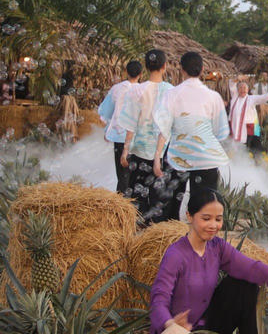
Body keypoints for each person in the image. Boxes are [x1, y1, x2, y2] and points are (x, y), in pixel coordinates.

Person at [148, 189, 268, 334]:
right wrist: (170, 324)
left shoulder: (217, 247)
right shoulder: (176, 254)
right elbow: (159, 298)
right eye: (206, 218)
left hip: (207, 327)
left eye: (218, 219)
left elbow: (251, 268)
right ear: (190, 216)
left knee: (244, 284)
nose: (213, 225)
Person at [153, 52, 230, 222]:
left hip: (177, 157)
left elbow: (163, 129)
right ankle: (201, 245)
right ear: (202, 70)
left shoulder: (171, 94)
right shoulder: (213, 97)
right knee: (205, 209)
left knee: (169, 207)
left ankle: (172, 241)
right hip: (206, 158)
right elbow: (221, 133)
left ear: (181, 70)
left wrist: (157, 157)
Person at [118, 49, 173, 222]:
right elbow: (166, 126)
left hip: (139, 150)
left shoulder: (136, 90)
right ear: (165, 66)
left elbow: (130, 123)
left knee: (137, 199)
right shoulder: (170, 91)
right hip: (162, 152)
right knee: (159, 201)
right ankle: (154, 240)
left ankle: (138, 238)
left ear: (146, 67)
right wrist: (157, 157)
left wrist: (125, 150)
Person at [98, 60, 141, 194]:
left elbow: (104, 112)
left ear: (126, 72)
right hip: (139, 139)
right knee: (137, 176)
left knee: (122, 175)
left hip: (120, 137)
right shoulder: (144, 90)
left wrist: (107, 130)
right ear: (140, 74)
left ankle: (122, 206)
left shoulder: (117, 89)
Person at [228, 79, 268, 155]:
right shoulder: (234, 97)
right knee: (238, 147)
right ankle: (240, 162)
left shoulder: (251, 98)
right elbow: (231, 84)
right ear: (237, 90)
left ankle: (259, 162)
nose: (242, 90)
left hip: (250, 128)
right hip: (236, 127)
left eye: (244, 88)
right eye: (240, 88)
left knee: (253, 148)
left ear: (247, 90)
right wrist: (237, 78)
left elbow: (262, 97)